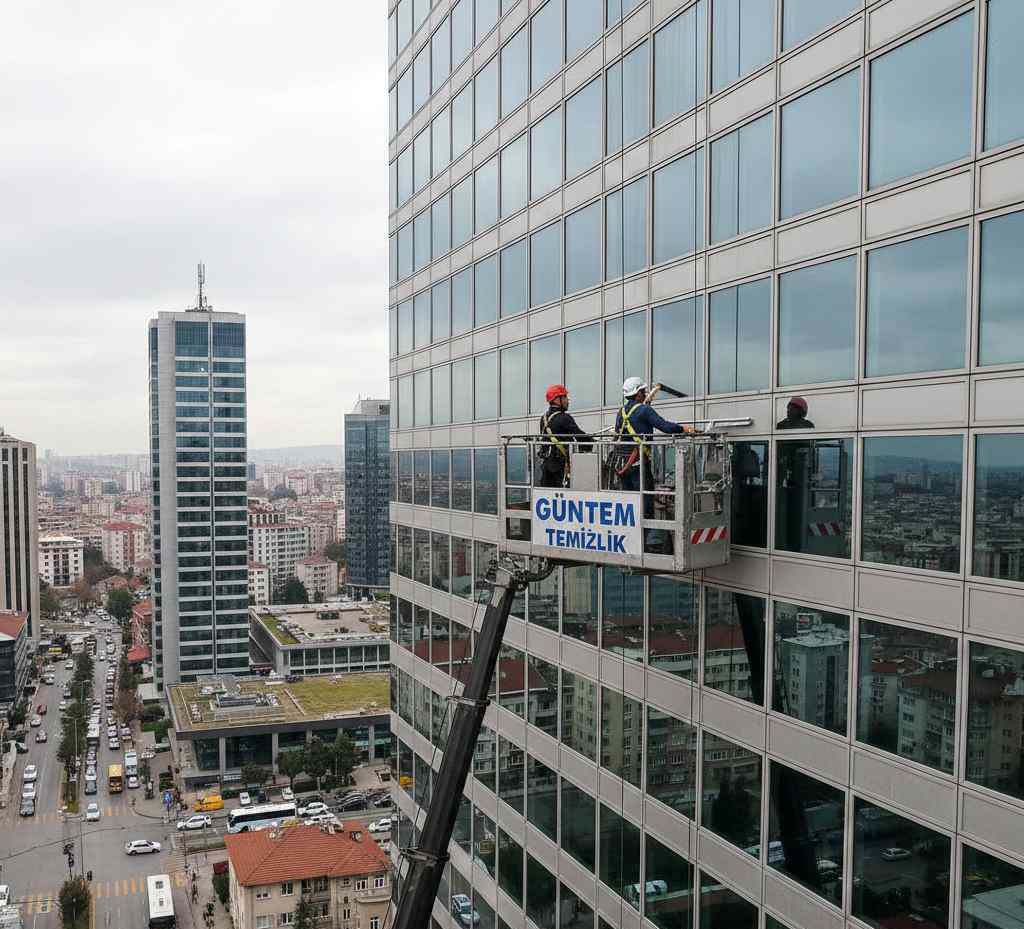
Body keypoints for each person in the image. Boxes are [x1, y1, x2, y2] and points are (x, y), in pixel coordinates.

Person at [614, 378, 695, 548]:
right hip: (639, 467)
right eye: (643, 391)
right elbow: (664, 426)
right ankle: (643, 546)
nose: (645, 394)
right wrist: (684, 429)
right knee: (646, 507)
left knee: (630, 506)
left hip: (624, 467)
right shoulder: (644, 410)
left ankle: (630, 543)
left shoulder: (621, 412)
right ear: (638, 393)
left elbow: (622, 432)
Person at [537, 384, 593, 488]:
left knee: (548, 492)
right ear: (557, 400)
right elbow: (580, 436)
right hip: (560, 466)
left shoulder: (543, 418)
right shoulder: (564, 418)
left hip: (547, 465)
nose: (567, 401)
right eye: (565, 398)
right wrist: (592, 441)